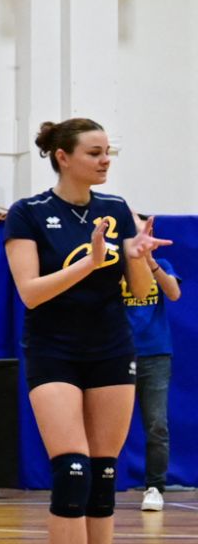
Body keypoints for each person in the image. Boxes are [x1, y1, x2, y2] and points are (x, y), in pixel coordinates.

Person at [5, 117, 168, 544]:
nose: (104, 161)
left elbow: (137, 293)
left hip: (111, 349)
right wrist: (92, 262)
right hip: (53, 350)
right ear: (63, 157)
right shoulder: (30, 213)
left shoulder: (115, 209)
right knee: (71, 471)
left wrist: (138, 257)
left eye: (107, 152)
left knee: (102, 476)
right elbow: (31, 292)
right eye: (94, 152)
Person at [123, 215, 179, 512]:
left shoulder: (162, 264)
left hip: (155, 355)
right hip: (118, 355)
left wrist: (149, 262)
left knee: (157, 424)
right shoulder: (117, 266)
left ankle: (155, 487)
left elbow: (174, 293)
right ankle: (100, 483)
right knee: (107, 425)